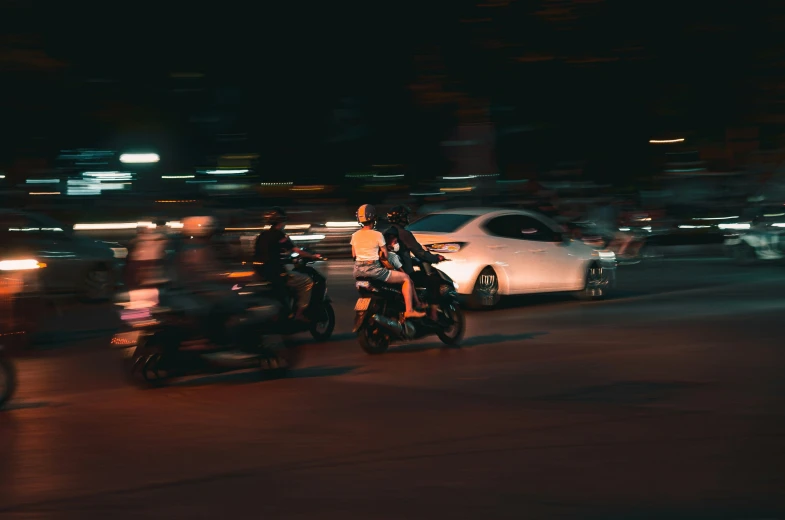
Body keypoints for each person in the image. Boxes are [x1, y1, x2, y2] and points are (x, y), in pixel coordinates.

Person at [351, 204, 425, 319]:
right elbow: (385, 255)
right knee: (405, 278)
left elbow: (354, 255)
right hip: (374, 271)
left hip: (357, 273)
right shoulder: (377, 234)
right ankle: (409, 310)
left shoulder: (354, 235)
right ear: (374, 219)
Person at [253, 206, 320, 321]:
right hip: (277, 273)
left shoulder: (262, 235)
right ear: (281, 221)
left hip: (261, 273)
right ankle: (299, 313)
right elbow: (297, 251)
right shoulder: (280, 235)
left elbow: (267, 253)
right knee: (307, 281)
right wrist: (313, 256)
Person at [385, 205, 444, 320]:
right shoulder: (404, 234)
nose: (407, 218)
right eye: (406, 216)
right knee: (434, 280)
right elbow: (419, 253)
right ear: (401, 218)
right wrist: (436, 258)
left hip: (388, 274)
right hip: (404, 273)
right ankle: (433, 314)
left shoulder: (385, 233)